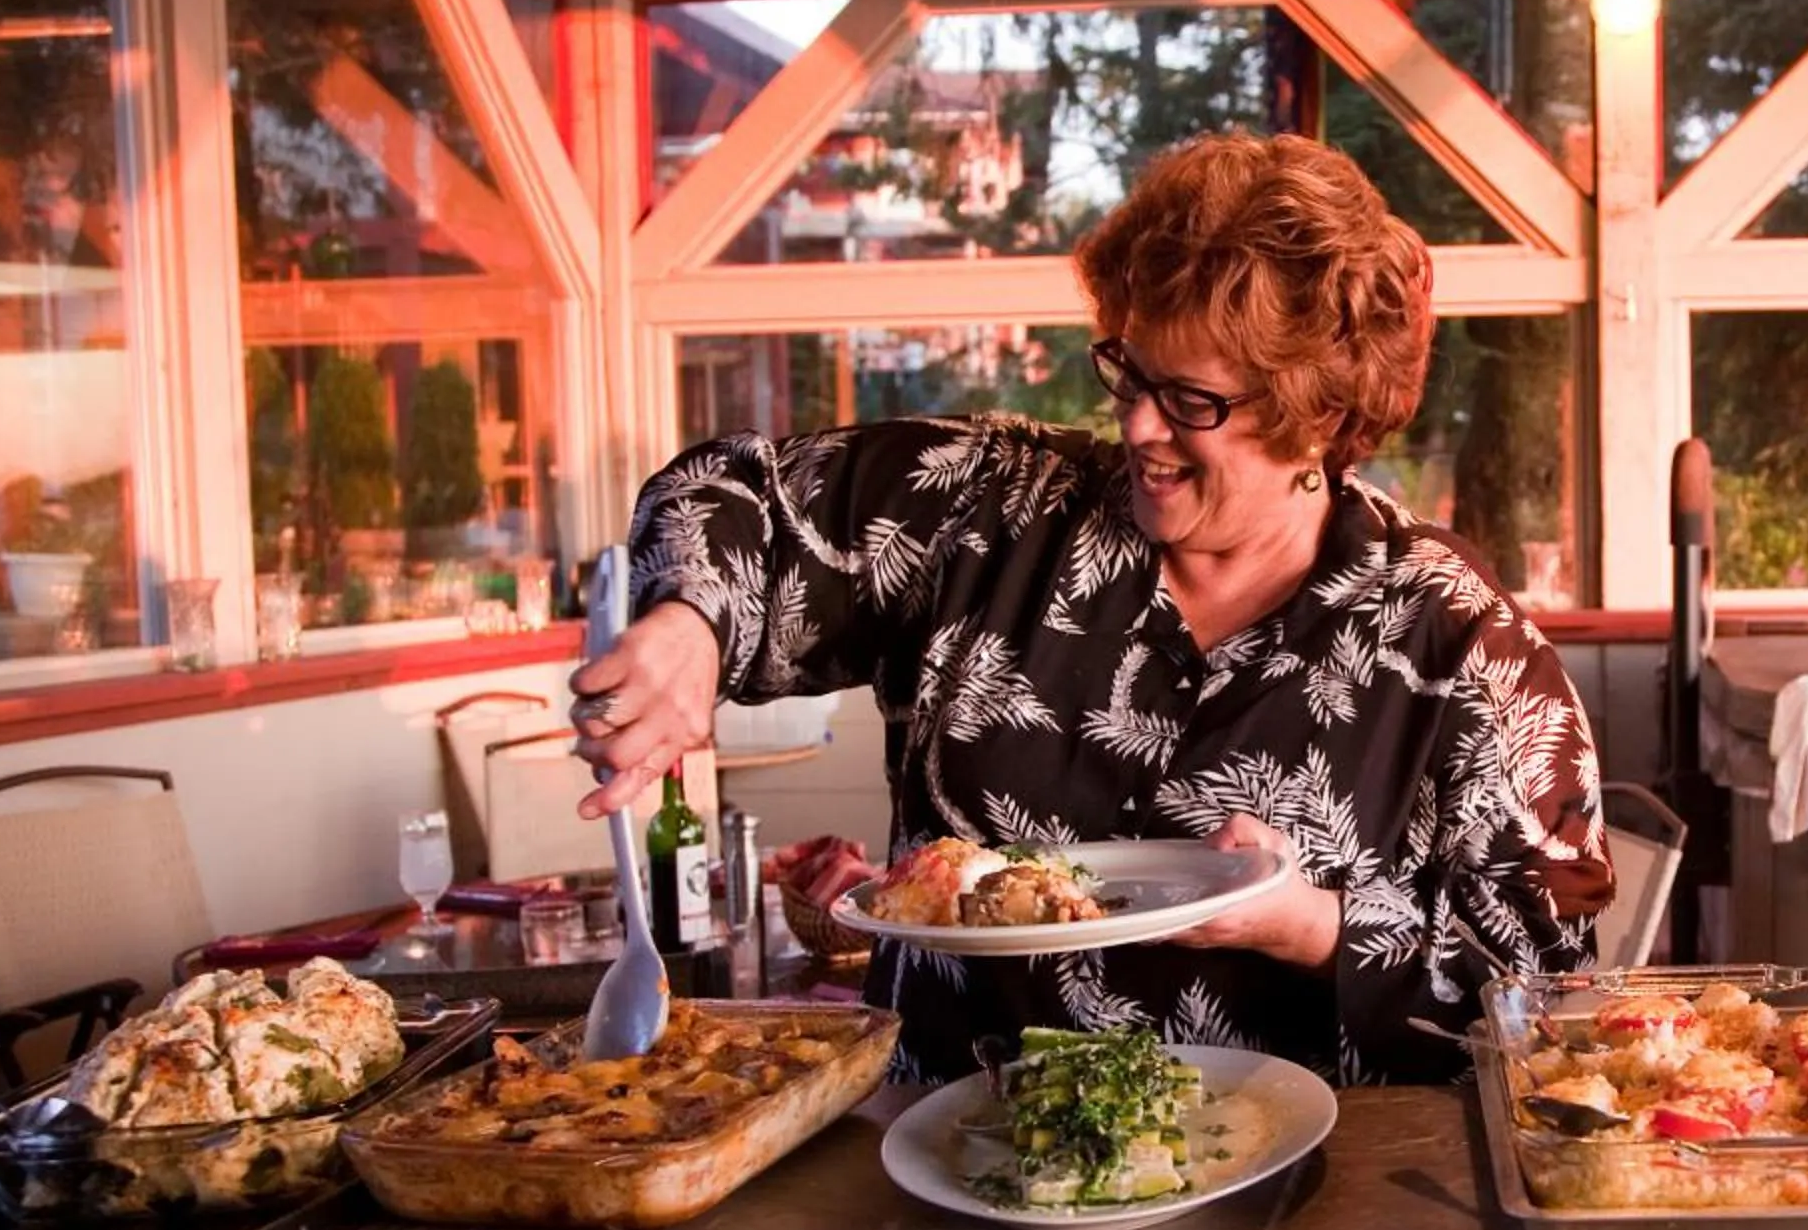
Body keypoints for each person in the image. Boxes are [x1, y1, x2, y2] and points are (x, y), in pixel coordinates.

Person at [569, 131, 1612, 1082]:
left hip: (1292, 1217)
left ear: (1321, 415)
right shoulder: (991, 508)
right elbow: (735, 494)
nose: (1141, 427)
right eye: (1129, 371)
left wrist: (1310, 924)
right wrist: (687, 627)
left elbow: (1549, 995)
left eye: (1194, 401)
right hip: (954, 1162)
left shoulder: (1462, 644)